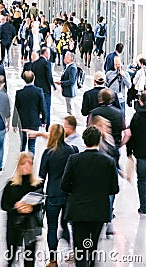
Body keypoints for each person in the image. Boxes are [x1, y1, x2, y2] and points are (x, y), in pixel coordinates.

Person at [61, 126, 119, 267]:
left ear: (84, 140)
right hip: (99, 210)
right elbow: (114, 189)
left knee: (80, 247)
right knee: (93, 246)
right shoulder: (108, 161)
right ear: (99, 141)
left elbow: (64, 185)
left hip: (78, 210)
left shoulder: (74, 159)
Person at [39, 124, 78, 267]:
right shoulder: (73, 150)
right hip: (69, 195)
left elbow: (41, 176)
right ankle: (72, 252)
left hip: (53, 195)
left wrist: (38, 195)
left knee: (52, 227)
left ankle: (53, 260)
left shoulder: (48, 153)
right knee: (68, 225)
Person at [1, 152, 43, 267]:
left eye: (30, 163)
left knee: (30, 257)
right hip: (14, 224)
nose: (28, 166)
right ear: (19, 166)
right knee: (11, 254)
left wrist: (31, 208)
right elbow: (4, 205)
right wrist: (17, 208)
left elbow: (40, 204)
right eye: (24, 163)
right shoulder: (11, 185)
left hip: (30, 225)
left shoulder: (37, 184)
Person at [12, 71, 46, 155]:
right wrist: (44, 120)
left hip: (22, 121)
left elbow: (16, 109)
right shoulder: (39, 91)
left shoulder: (19, 93)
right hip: (34, 120)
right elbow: (43, 107)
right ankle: (30, 162)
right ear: (34, 78)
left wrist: (14, 123)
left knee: (23, 143)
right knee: (32, 145)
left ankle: (22, 160)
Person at [126, 92, 146, 215]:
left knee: (142, 180)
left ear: (140, 101)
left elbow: (131, 136)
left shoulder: (137, 117)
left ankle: (144, 206)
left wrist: (129, 152)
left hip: (141, 153)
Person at [31, 47, 56, 131]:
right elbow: (49, 76)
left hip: (37, 89)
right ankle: (47, 126)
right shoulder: (46, 63)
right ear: (45, 53)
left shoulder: (34, 63)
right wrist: (54, 86)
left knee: (37, 108)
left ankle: (37, 125)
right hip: (46, 90)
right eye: (48, 53)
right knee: (46, 108)